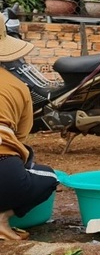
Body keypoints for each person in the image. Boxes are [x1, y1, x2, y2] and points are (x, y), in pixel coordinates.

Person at [0, 24, 58, 241]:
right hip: (4, 168)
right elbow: (21, 139)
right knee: (49, 176)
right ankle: (2, 218)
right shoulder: (18, 87)